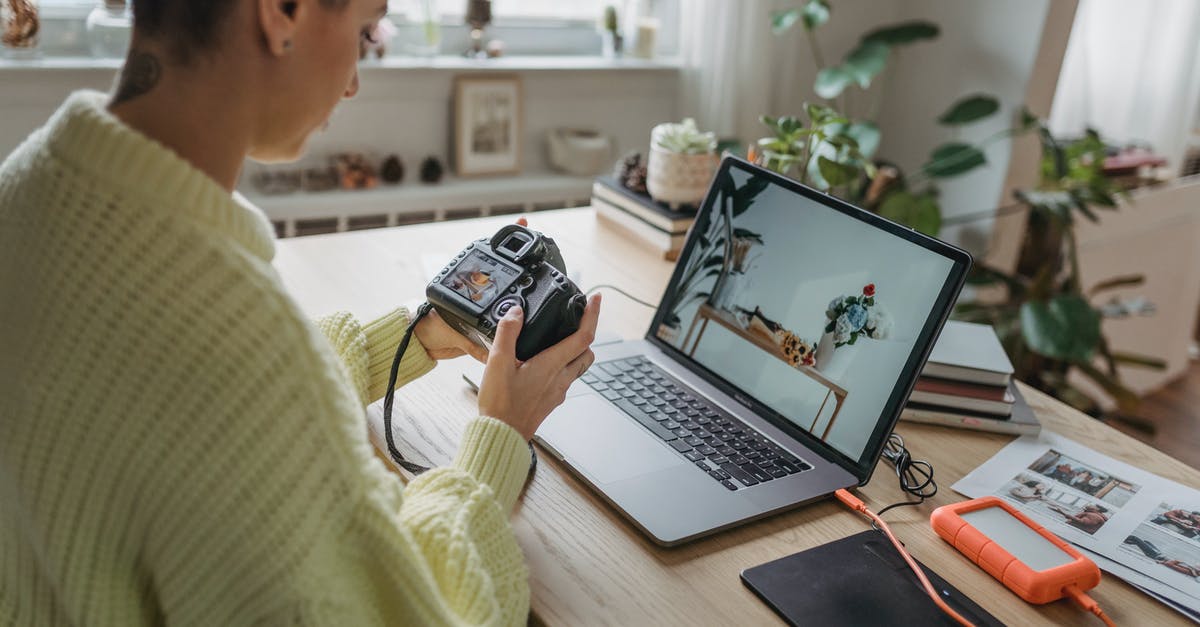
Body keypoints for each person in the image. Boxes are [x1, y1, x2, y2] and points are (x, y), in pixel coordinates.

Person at [0, 0, 601, 624]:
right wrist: (500, 435)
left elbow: (203, 403)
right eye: (363, 31)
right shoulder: (235, 350)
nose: (353, 82)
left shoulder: (27, 189)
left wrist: (410, 339)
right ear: (281, 12)